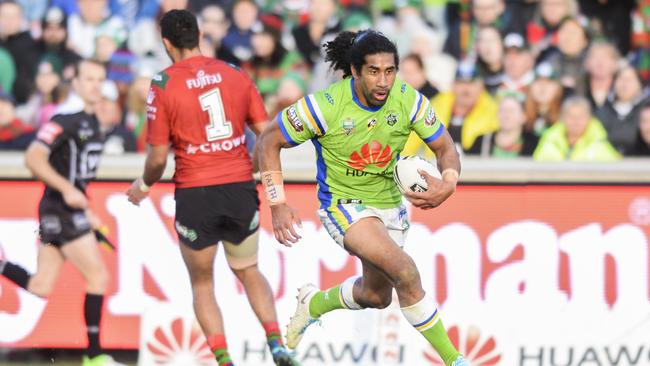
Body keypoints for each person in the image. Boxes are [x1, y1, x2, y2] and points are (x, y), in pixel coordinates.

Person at [256, 30, 470, 366]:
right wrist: (277, 202)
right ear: (355, 71)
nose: (383, 81)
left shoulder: (408, 100)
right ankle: (456, 360)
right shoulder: (325, 106)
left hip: (390, 205)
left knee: (376, 296)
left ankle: (314, 304)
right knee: (406, 272)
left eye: (390, 71)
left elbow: (444, 147)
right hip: (343, 205)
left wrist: (450, 181)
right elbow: (268, 141)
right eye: (373, 71)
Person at [124, 10, 299, 366]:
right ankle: (277, 343)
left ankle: (224, 360)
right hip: (238, 188)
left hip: (195, 192)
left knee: (202, 283)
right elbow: (268, 135)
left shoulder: (162, 83)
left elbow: (158, 158)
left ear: (166, 42)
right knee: (249, 269)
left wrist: (143, 184)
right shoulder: (235, 73)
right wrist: (250, 167)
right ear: (200, 35)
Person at [0, 59, 124, 366]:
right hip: (59, 208)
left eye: (99, 79)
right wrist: (66, 190)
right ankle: (94, 355)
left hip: (64, 210)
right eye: (88, 79)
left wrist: (87, 210)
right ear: (77, 85)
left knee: (41, 286)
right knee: (98, 275)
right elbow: (34, 157)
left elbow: (76, 179)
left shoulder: (95, 126)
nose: (95, 84)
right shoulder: (66, 121)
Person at [533, 96, 620, 161]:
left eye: (581, 116)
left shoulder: (600, 145)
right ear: (562, 118)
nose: (576, 121)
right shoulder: (549, 142)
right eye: (571, 116)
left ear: (589, 118)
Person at [467, 94, 539, 157]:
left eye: (512, 111)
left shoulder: (534, 143)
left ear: (523, 116)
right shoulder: (481, 141)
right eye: (502, 110)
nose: (506, 115)